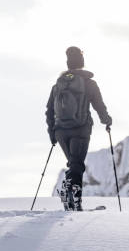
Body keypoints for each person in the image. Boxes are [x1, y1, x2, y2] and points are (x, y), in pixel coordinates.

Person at [45, 46, 112, 211]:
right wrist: (107, 120)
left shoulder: (58, 85)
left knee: (73, 163)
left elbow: (50, 110)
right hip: (80, 129)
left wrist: (52, 133)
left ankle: (69, 194)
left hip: (61, 131)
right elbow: (99, 106)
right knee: (77, 164)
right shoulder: (89, 83)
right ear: (82, 63)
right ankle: (75, 201)